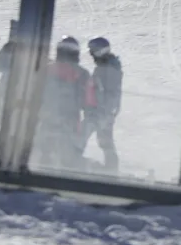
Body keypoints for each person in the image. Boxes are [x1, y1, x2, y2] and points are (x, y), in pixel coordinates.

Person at [37, 36, 90, 170]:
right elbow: (86, 99)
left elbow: (37, 91)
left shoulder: (47, 69)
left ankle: (43, 172)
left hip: (48, 115)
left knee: (46, 149)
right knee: (67, 152)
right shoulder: (82, 73)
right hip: (70, 118)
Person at [82, 37, 122, 173]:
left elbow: (110, 94)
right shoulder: (106, 66)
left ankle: (70, 163)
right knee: (104, 141)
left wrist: (103, 113)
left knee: (81, 137)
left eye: (93, 52)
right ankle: (111, 169)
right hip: (100, 112)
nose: (91, 55)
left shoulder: (109, 69)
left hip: (100, 113)